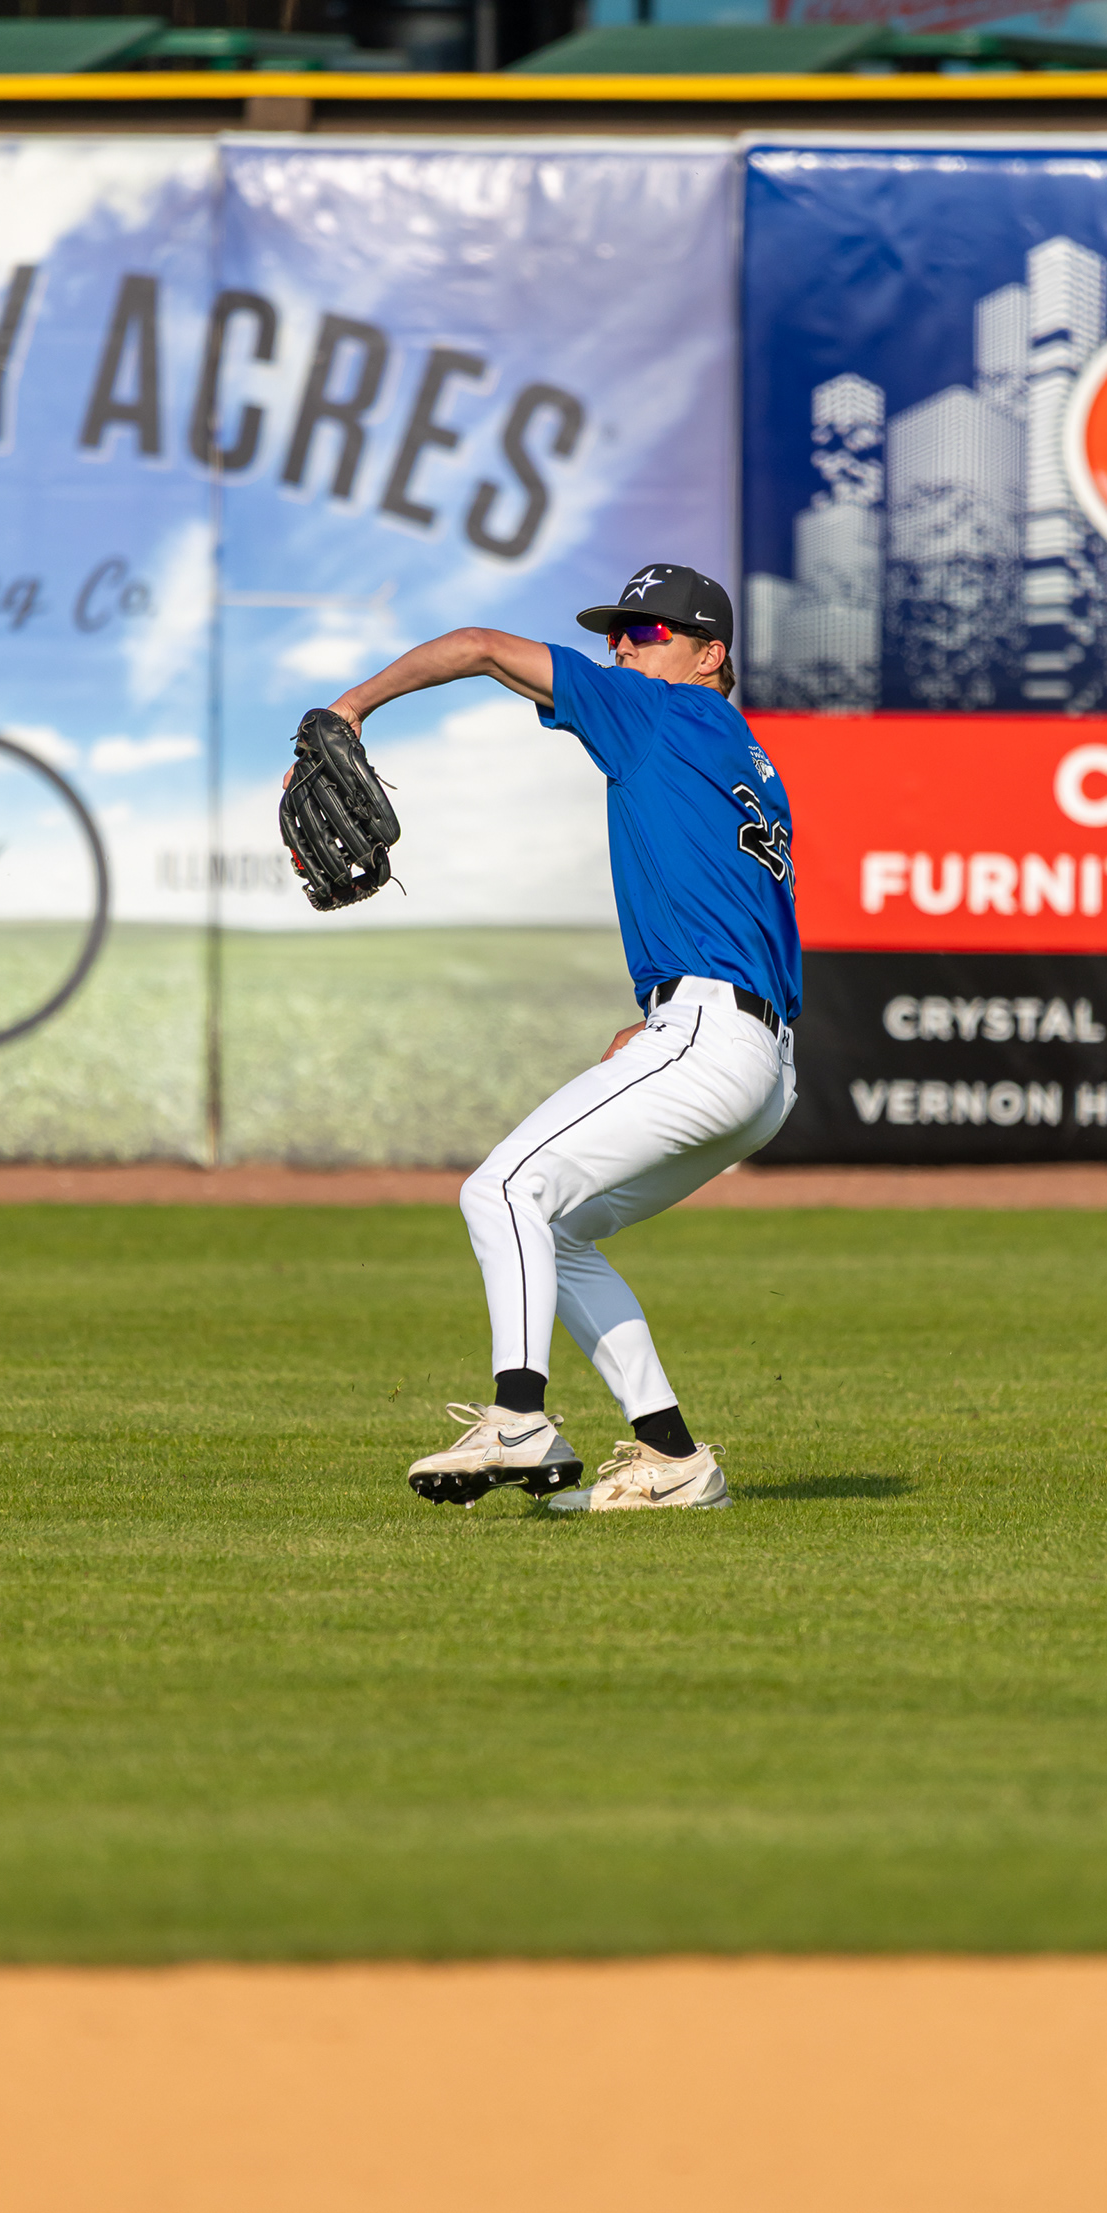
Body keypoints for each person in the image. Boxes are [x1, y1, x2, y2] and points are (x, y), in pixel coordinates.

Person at [323, 561, 799, 1513]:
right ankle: (672, 1458)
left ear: (710, 654)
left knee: (499, 1188)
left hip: (712, 1036)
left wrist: (350, 708)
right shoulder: (743, 755)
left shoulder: (659, 711)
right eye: (616, 631)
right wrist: (673, 1011)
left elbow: (480, 647)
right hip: (761, 1059)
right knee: (561, 1230)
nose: (622, 645)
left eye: (648, 631)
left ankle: (518, 1415)